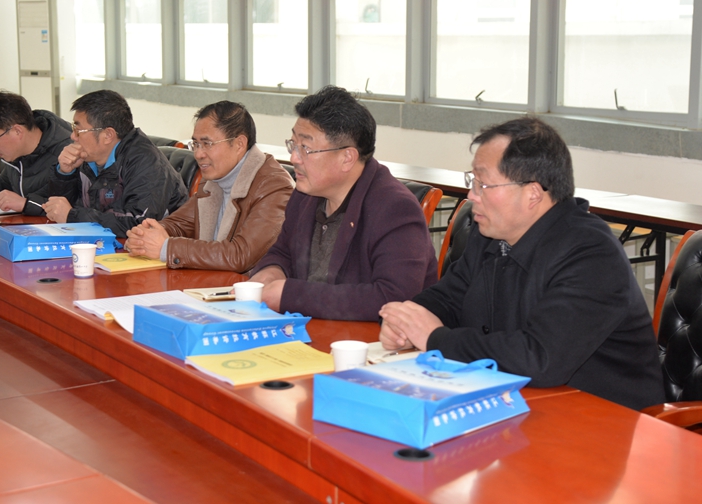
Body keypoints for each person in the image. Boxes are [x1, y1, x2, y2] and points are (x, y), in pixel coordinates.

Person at [379, 117, 664, 410]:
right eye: (472, 181)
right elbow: (448, 298)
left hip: (602, 419)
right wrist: (406, 321)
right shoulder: (489, 235)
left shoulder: (590, 254)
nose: (472, 195)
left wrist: (435, 339)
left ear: (532, 194)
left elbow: (540, 358)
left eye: (483, 184)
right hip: (518, 402)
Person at [250, 85, 439, 321]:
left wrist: (291, 295)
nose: (294, 158)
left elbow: (393, 297)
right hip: (311, 329)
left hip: (367, 340)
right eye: (293, 144)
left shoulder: (395, 209)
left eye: (305, 148)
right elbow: (283, 252)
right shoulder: (304, 195)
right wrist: (271, 271)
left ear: (347, 157)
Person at [124, 101, 294, 273]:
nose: (198, 154)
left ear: (239, 144)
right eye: (196, 144)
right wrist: (147, 236)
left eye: (207, 144)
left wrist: (167, 247)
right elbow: (180, 224)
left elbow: (241, 255)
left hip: (247, 286)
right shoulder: (215, 179)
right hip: (212, 281)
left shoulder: (275, 187)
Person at [44, 90, 187, 237]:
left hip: (152, 248)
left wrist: (73, 217)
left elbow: (139, 224)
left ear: (108, 135)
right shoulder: (88, 158)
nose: (73, 136)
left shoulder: (147, 163)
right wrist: (65, 174)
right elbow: (60, 210)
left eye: (79, 130)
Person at [0, 91, 72, 215]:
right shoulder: (14, 152)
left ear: (17, 131)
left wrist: (25, 204)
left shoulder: (68, 153)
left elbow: (72, 208)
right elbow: (5, 183)